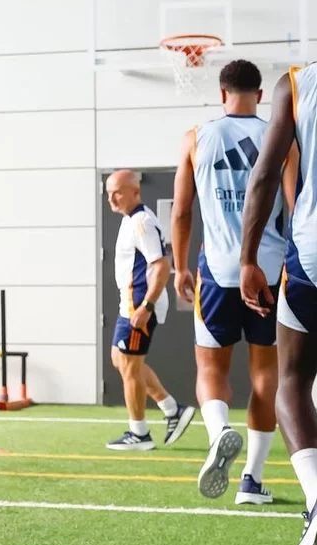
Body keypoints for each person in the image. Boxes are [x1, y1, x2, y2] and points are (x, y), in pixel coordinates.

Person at [172, 60, 293, 502]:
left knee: (210, 368)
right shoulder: (280, 137)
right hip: (271, 269)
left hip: (217, 271)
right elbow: (297, 206)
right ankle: (252, 481)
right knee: (266, 376)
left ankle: (220, 430)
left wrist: (181, 266)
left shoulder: (195, 138)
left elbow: (182, 211)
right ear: (260, 95)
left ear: (222, 94)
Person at [240, 62, 317, 545]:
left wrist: (248, 258)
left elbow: (266, 172)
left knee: (291, 378)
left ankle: (316, 496)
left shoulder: (297, 79)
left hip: (311, 255)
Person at [105, 170, 195, 452]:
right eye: (108, 192)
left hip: (140, 303)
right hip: (129, 303)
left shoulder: (142, 221)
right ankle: (172, 409)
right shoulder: (130, 220)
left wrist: (147, 306)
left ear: (135, 191)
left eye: (117, 191)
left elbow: (159, 265)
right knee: (120, 359)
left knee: (130, 366)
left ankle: (139, 433)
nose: (112, 197)